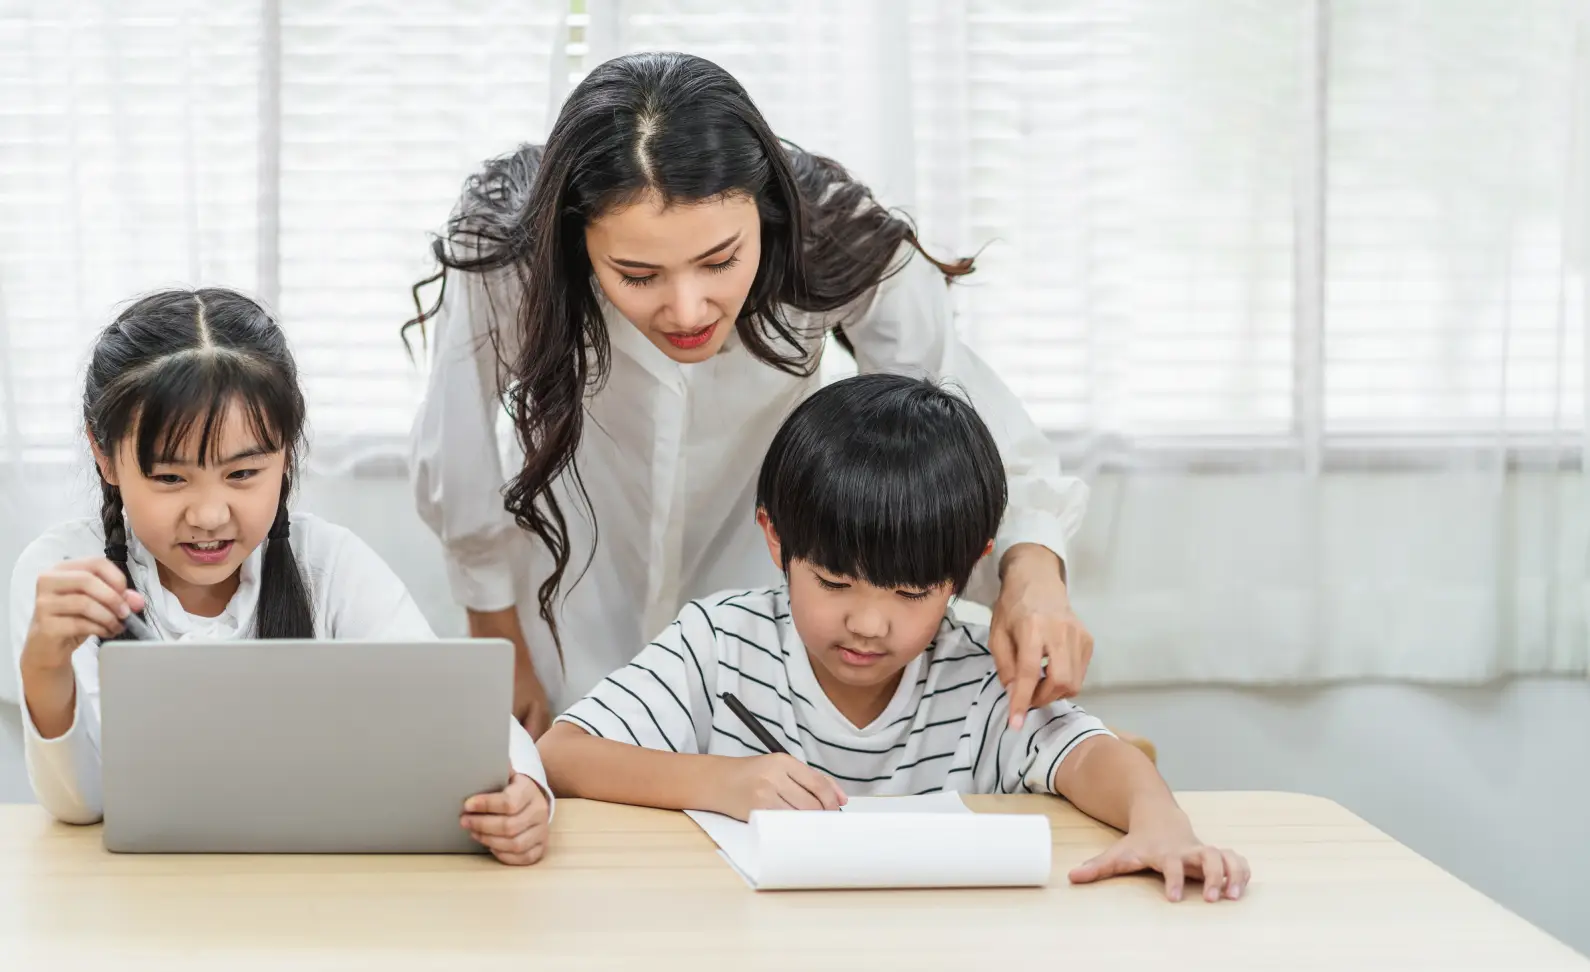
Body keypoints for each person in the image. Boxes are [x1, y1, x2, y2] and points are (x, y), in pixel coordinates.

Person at [407, 51, 1093, 737]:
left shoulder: (833, 236)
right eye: (637, 275)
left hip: (763, 640)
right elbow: (458, 458)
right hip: (564, 620)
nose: (686, 309)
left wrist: (1032, 570)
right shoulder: (509, 253)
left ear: (763, 216)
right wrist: (501, 652)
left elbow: (955, 416)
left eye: (720, 261)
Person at [538, 374, 1248, 901]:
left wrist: (1162, 822)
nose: (869, 624)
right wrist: (718, 781)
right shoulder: (720, 643)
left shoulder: (979, 674)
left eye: (910, 594)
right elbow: (563, 755)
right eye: (835, 583)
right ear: (775, 539)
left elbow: (1096, 757)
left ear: (965, 572)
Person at [10, 289, 549, 866]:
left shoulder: (331, 564)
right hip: (139, 902)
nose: (210, 514)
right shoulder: (64, 573)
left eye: (243, 473)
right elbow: (81, 805)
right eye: (170, 478)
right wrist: (45, 664)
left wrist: (526, 789)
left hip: (314, 889)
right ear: (105, 454)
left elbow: (449, 706)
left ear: (287, 453)